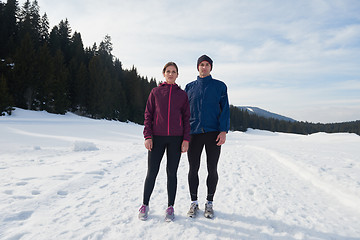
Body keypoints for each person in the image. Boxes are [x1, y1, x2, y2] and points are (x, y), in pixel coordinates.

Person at [138, 62, 191, 222]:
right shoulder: (155, 92)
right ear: (163, 73)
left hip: (176, 139)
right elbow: (148, 115)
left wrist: (186, 139)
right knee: (152, 172)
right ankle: (145, 205)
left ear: (177, 75)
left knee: (171, 173)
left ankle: (170, 207)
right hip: (157, 138)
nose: (170, 74)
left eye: (174, 72)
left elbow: (187, 119)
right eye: (168, 71)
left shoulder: (182, 95)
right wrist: (148, 136)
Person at [184, 55, 230, 219]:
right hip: (194, 133)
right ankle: (194, 202)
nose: (204, 67)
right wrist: (184, 135)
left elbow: (225, 110)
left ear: (211, 68)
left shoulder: (219, 86)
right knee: (193, 169)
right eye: (201, 65)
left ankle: (209, 203)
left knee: (212, 168)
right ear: (197, 67)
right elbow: (184, 113)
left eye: (207, 65)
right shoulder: (189, 87)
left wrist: (223, 130)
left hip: (213, 134)